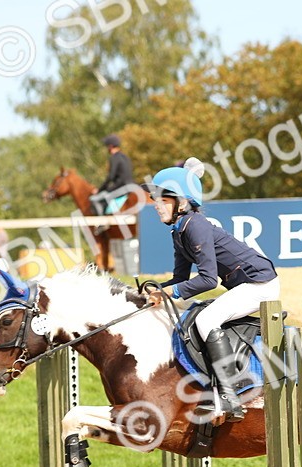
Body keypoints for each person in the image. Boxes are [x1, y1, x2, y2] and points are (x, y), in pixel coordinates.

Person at [143, 162, 279, 423]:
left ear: (181, 202)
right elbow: (181, 279)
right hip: (244, 284)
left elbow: (207, 280)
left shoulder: (196, 225)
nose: (156, 204)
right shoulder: (179, 231)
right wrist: (158, 290)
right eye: (154, 199)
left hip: (260, 284)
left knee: (206, 320)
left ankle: (231, 395)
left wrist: (170, 291)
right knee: (193, 314)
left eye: (162, 199)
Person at [91, 134, 134, 219]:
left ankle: (101, 223)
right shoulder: (126, 157)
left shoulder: (114, 158)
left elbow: (111, 177)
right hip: (132, 186)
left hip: (121, 187)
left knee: (94, 199)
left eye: (107, 146)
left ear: (110, 146)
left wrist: (99, 190)